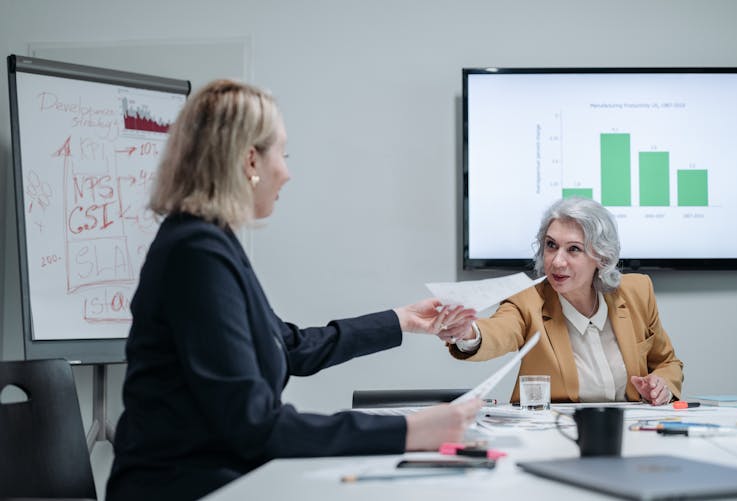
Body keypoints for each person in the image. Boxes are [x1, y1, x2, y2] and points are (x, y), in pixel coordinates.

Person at [105, 79, 481, 501]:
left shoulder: (210, 240)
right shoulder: (195, 254)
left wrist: (400, 321)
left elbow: (289, 346)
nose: (287, 171)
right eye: (282, 154)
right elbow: (255, 427)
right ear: (250, 160)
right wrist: (409, 430)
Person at [443, 197, 683, 405]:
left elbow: (667, 363)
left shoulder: (636, 293)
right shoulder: (527, 301)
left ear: (601, 256)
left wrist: (661, 384)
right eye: (551, 245)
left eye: (574, 249)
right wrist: (468, 332)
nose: (557, 261)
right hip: (551, 433)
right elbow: (498, 331)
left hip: (629, 432)